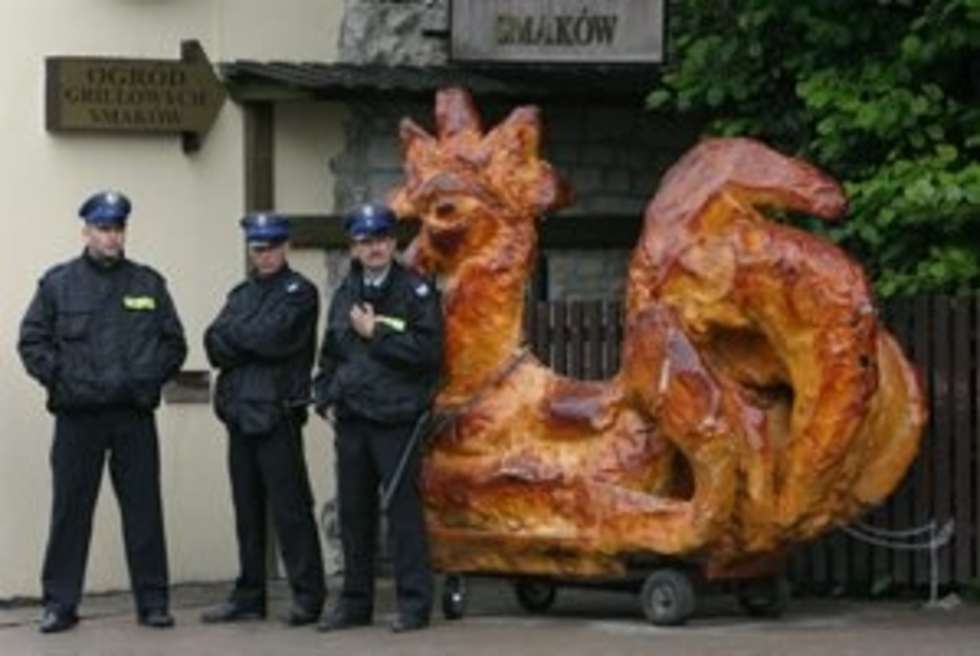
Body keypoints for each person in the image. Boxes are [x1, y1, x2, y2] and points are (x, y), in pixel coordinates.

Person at [17, 190, 187, 634]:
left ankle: (153, 602)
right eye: (103, 229)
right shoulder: (58, 283)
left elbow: (174, 344)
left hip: (132, 415)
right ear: (87, 232)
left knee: (144, 510)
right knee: (70, 511)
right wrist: (65, 380)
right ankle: (59, 604)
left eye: (118, 229)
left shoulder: (148, 283)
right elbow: (32, 341)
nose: (112, 237)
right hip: (79, 416)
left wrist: (145, 380)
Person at [313, 203, 443, 633]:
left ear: (394, 243)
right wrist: (324, 397)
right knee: (354, 515)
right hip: (352, 418)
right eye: (366, 241)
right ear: (354, 247)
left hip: (395, 419)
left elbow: (428, 354)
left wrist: (379, 334)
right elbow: (330, 352)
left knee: (403, 514)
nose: (375, 248)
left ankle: (413, 605)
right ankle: (354, 604)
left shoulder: (416, 292)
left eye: (382, 240)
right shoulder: (346, 292)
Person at [200, 212, 326, 627]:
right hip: (239, 414)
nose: (265, 255)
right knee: (247, 510)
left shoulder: (300, 292)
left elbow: (274, 340)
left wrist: (240, 337)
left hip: (277, 414)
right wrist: (244, 338)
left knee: (291, 510)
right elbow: (213, 342)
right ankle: (249, 594)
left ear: (285, 247)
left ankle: (308, 595)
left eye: (272, 247)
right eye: (258, 248)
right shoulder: (241, 294)